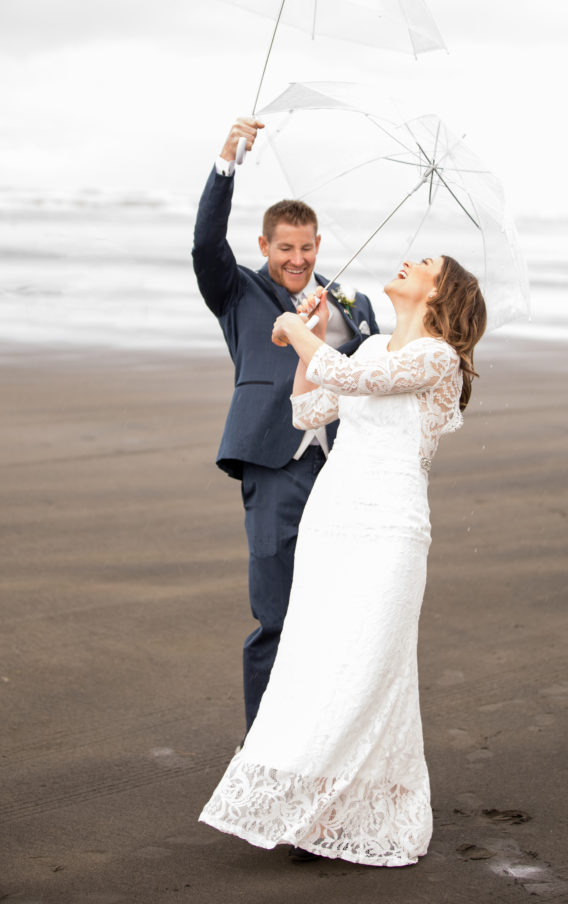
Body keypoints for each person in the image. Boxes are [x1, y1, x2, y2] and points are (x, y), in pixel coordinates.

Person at [199, 253, 488, 867]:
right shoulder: (375, 344)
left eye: (425, 263)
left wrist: (301, 329)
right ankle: (318, 808)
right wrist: (309, 335)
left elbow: (357, 382)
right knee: (321, 654)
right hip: (333, 520)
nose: (409, 261)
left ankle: (348, 805)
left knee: (368, 662)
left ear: (440, 292)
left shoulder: (436, 357)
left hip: (389, 527)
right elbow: (310, 409)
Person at [192, 117, 379, 732]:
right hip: (273, 464)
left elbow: (374, 373)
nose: (296, 259)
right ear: (266, 246)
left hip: (341, 469)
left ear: (319, 245)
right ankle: (264, 750)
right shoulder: (238, 292)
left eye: (306, 248)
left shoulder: (350, 303)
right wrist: (226, 162)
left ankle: (318, 740)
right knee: (276, 612)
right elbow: (204, 246)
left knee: (331, 611)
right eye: (284, 248)